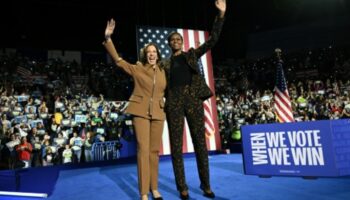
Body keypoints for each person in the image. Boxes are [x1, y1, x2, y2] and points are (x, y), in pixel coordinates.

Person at [162, 0, 226, 199]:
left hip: (192, 99)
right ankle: (182, 187)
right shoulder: (164, 63)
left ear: (182, 42)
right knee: (175, 147)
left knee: (200, 143)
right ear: (169, 44)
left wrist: (221, 15)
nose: (175, 42)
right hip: (173, 101)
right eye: (172, 40)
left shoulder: (192, 54)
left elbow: (212, 40)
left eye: (178, 39)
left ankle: (206, 185)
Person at [103, 19, 166, 200]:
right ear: (145, 54)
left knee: (154, 152)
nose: (152, 54)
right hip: (140, 112)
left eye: (154, 52)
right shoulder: (137, 68)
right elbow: (118, 61)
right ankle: (144, 192)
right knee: (143, 150)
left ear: (158, 54)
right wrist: (108, 38)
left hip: (158, 113)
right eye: (149, 52)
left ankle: (155, 188)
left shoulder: (163, 71)